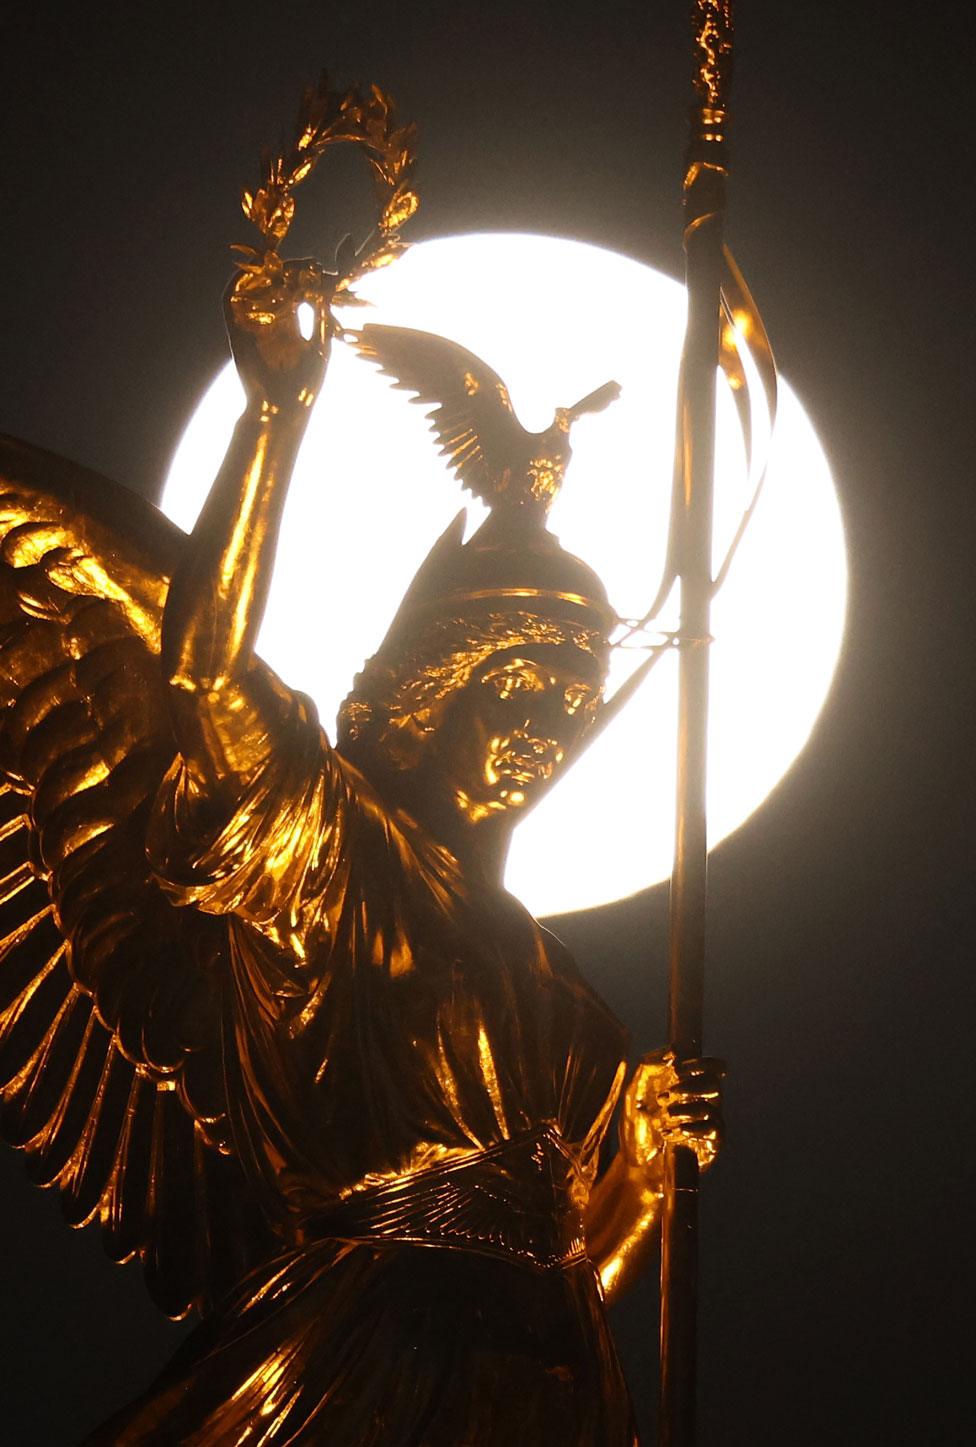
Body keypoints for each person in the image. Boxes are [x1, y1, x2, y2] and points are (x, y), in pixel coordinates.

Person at [0, 250, 721, 1445]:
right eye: (520, 682)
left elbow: (556, 1280)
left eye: (574, 696)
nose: (549, 723)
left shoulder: (575, 1011)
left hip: (554, 1393)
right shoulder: (326, 852)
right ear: (437, 688)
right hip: (365, 1362)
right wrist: (275, 417)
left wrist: (644, 1172)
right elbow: (199, 670)